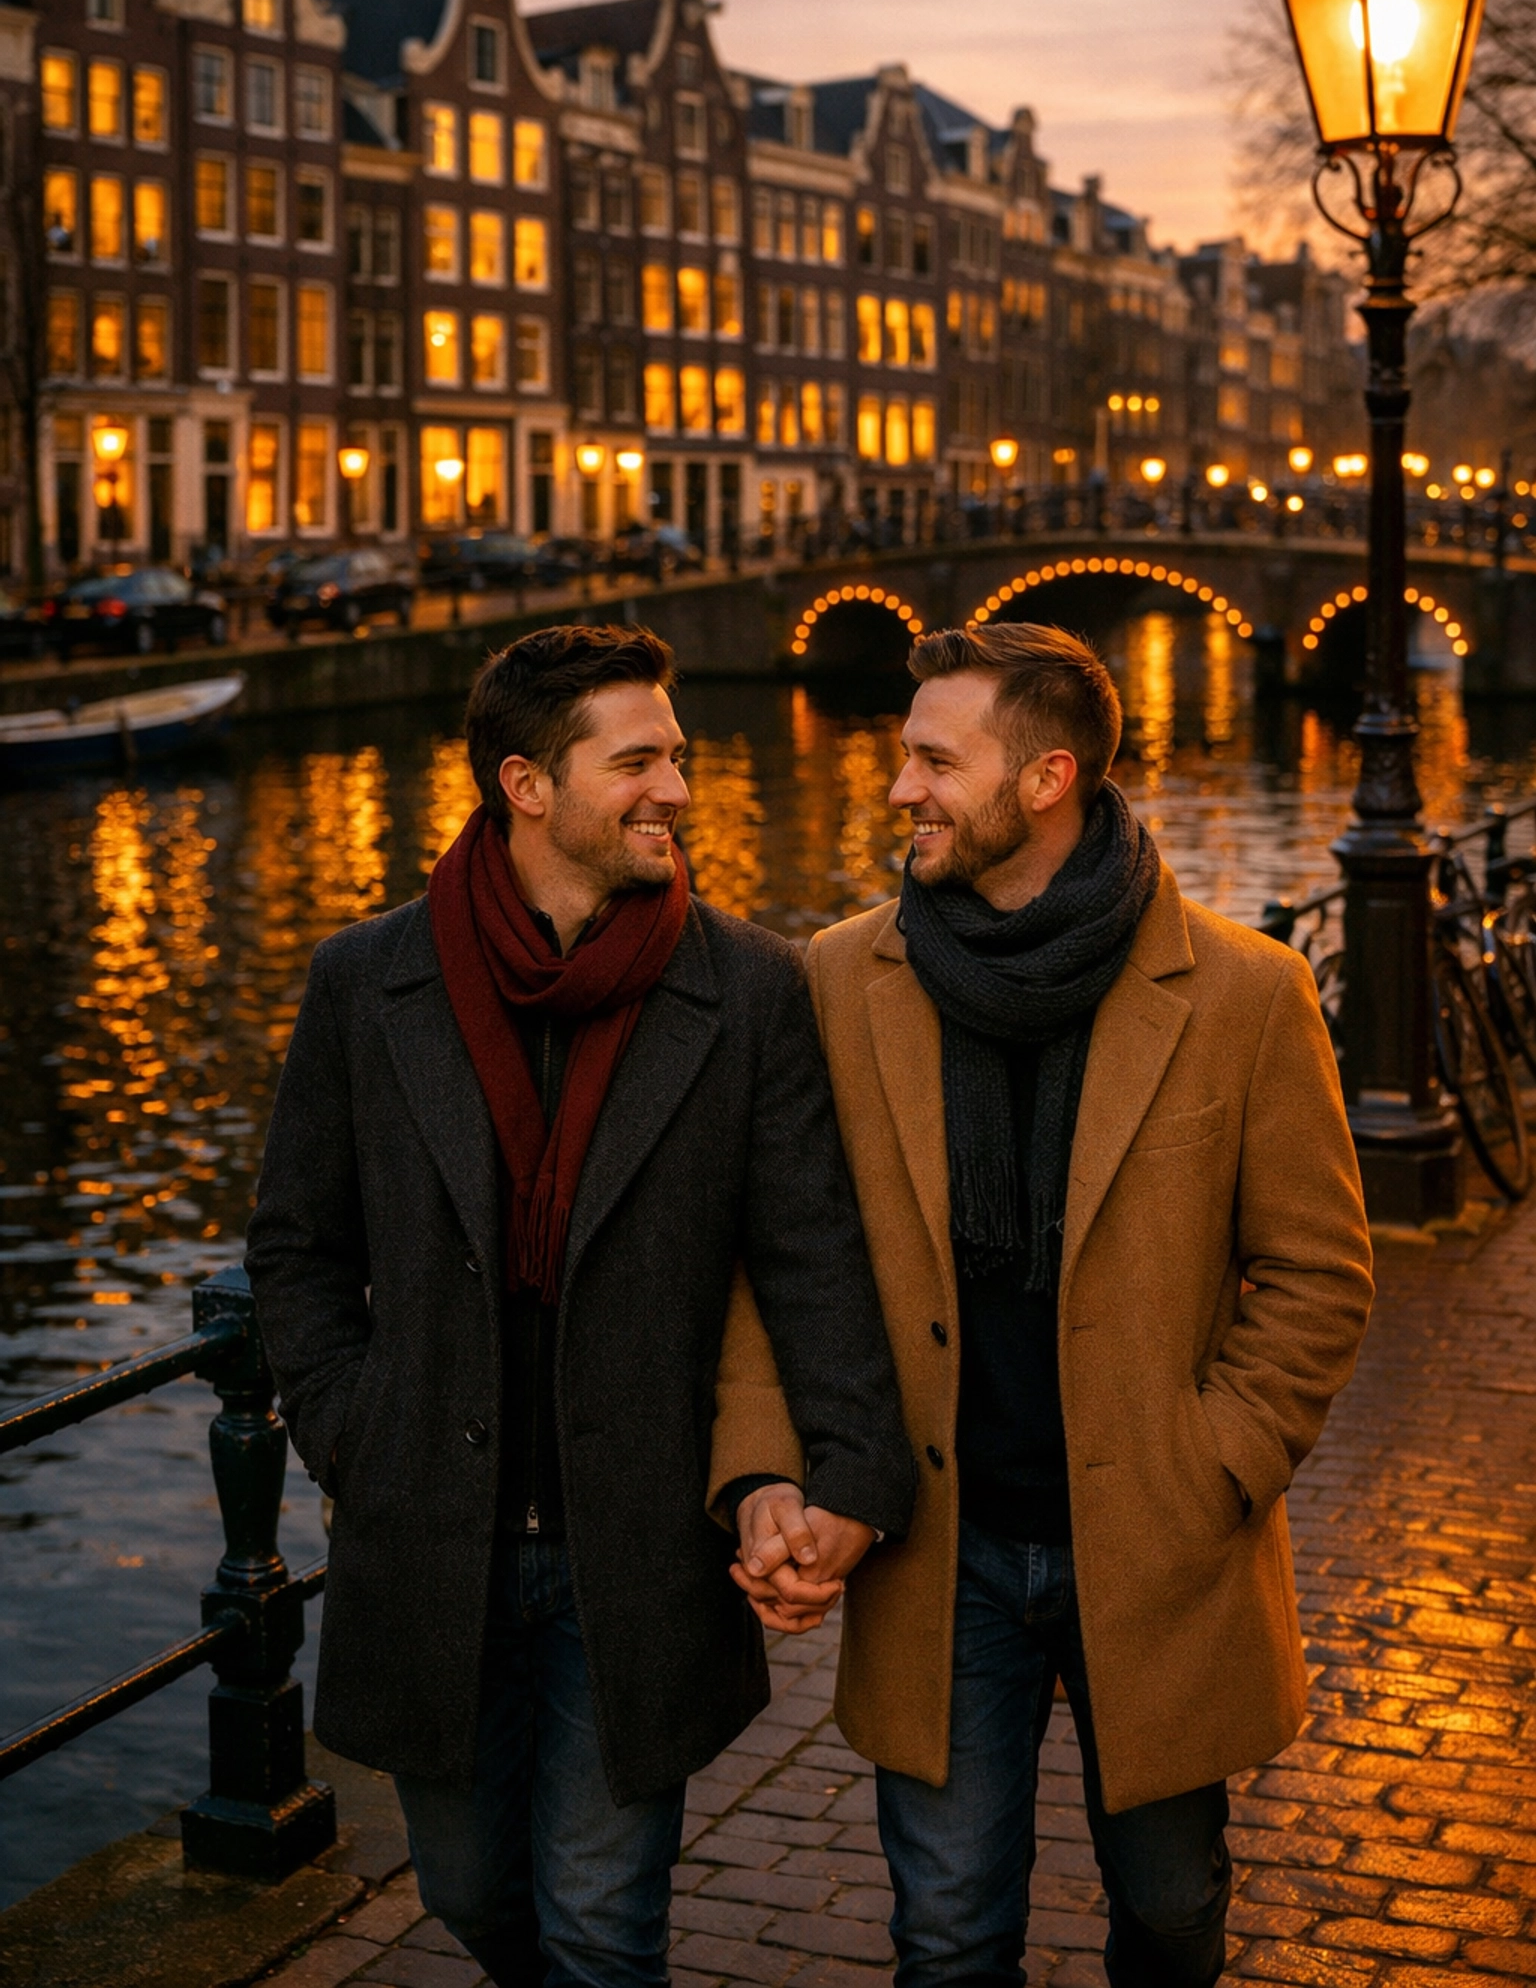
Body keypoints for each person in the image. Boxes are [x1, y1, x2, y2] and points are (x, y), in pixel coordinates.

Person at [245, 623, 914, 1988]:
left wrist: (848, 1474)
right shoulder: (366, 984)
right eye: (641, 761)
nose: (678, 787)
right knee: (474, 1894)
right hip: (437, 1536)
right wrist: (358, 1434)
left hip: (642, 1546)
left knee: (605, 1935)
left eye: (679, 756)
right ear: (526, 784)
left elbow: (810, 1254)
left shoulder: (747, 987)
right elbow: (298, 1251)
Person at [711, 621, 1373, 1988]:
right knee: (947, 1935)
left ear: (1050, 776)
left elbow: (1318, 1277)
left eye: (934, 763)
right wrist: (770, 1471)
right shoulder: (841, 975)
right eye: (904, 759)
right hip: (937, 1548)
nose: (900, 791)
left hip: (1161, 1541)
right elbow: (784, 1259)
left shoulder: (1246, 991)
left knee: (1174, 1915)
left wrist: (1216, 1464)